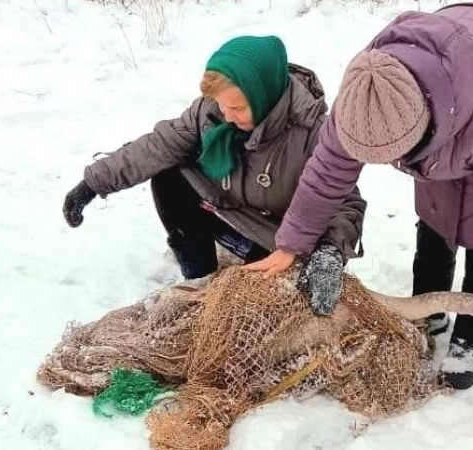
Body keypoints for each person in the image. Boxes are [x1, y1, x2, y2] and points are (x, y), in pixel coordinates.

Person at [244, 5, 473, 389]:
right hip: (452, 71)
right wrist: (292, 243)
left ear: (426, 127)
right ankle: (428, 306)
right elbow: (328, 171)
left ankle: (472, 333)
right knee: (437, 198)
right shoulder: (365, 94)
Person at [62, 36, 366, 315]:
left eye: (237, 107)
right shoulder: (211, 111)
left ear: (264, 95)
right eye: (222, 105)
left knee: (253, 307)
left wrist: (329, 253)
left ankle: (248, 264)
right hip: (226, 209)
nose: (227, 115)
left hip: (278, 239)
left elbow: (344, 203)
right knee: (169, 174)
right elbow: (158, 146)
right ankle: (199, 275)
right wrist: (93, 183)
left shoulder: (312, 132)